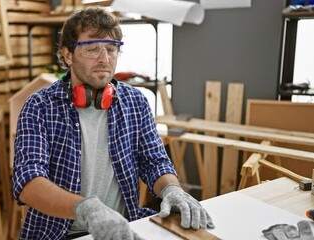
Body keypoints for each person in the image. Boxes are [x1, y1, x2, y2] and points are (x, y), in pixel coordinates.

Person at [12, 7, 214, 240]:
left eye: (111, 49)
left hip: (122, 230)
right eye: (92, 49)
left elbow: (154, 161)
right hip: (55, 234)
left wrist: (172, 190)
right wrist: (86, 209)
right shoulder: (39, 106)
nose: (104, 59)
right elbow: (27, 180)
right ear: (67, 55)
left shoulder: (135, 102)